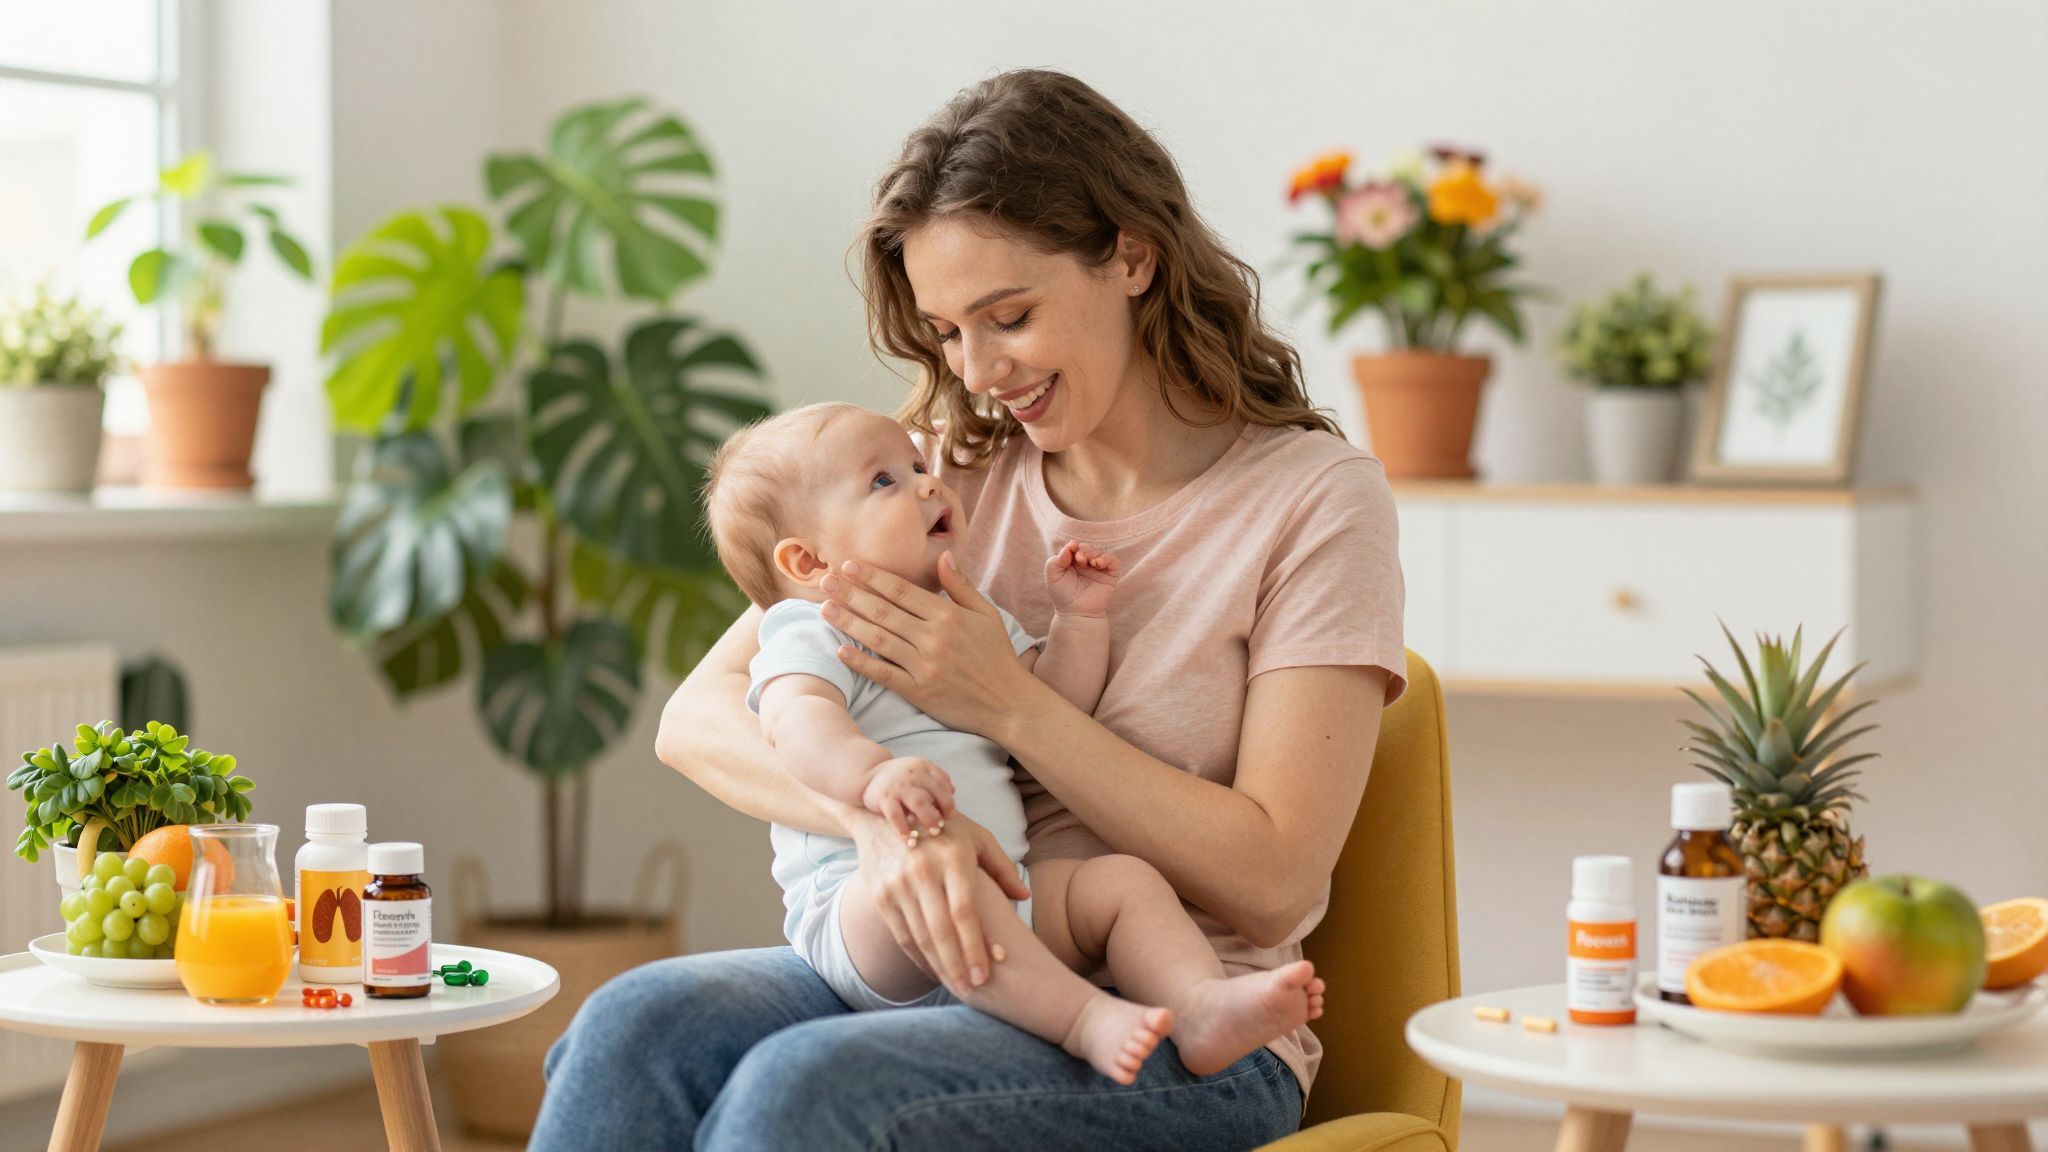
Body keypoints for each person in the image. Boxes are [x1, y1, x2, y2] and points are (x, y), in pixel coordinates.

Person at [532, 67, 1404, 1151]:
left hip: (1181, 1026)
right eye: (947, 331)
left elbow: (1273, 882)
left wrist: (1007, 703)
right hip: (948, 967)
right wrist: (887, 830)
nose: (978, 370)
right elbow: (699, 720)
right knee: (634, 1026)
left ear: (1132, 257)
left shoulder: (1312, 499)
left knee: (809, 1088)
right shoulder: (939, 478)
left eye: (1010, 317)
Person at [701, 400, 1326, 1085]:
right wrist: (872, 782)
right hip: (870, 910)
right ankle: (1085, 1021)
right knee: (950, 878)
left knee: (1124, 885)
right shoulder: (812, 628)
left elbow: (1050, 707)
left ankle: (1200, 1005)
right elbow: (796, 724)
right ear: (808, 559)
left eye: (916, 466)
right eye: (883, 481)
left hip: (1011, 891)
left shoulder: (965, 610)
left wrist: (1078, 619)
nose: (928, 483)